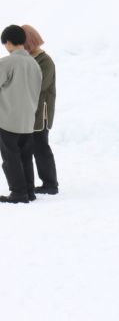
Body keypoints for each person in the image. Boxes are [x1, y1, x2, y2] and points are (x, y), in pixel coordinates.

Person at [0, 25, 43, 203]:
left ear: (8, 42)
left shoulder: (7, 63)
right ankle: (29, 191)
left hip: (8, 118)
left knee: (11, 158)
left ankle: (18, 193)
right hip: (27, 119)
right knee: (25, 156)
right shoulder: (34, 64)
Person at [23, 25, 57, 195]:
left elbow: (40, 85)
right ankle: (47, 183)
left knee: (41, 147)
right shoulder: (31, 59)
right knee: (35, 147)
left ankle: (50, 183)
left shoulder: (45, 61)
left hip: (40, 113)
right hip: (31, 112)